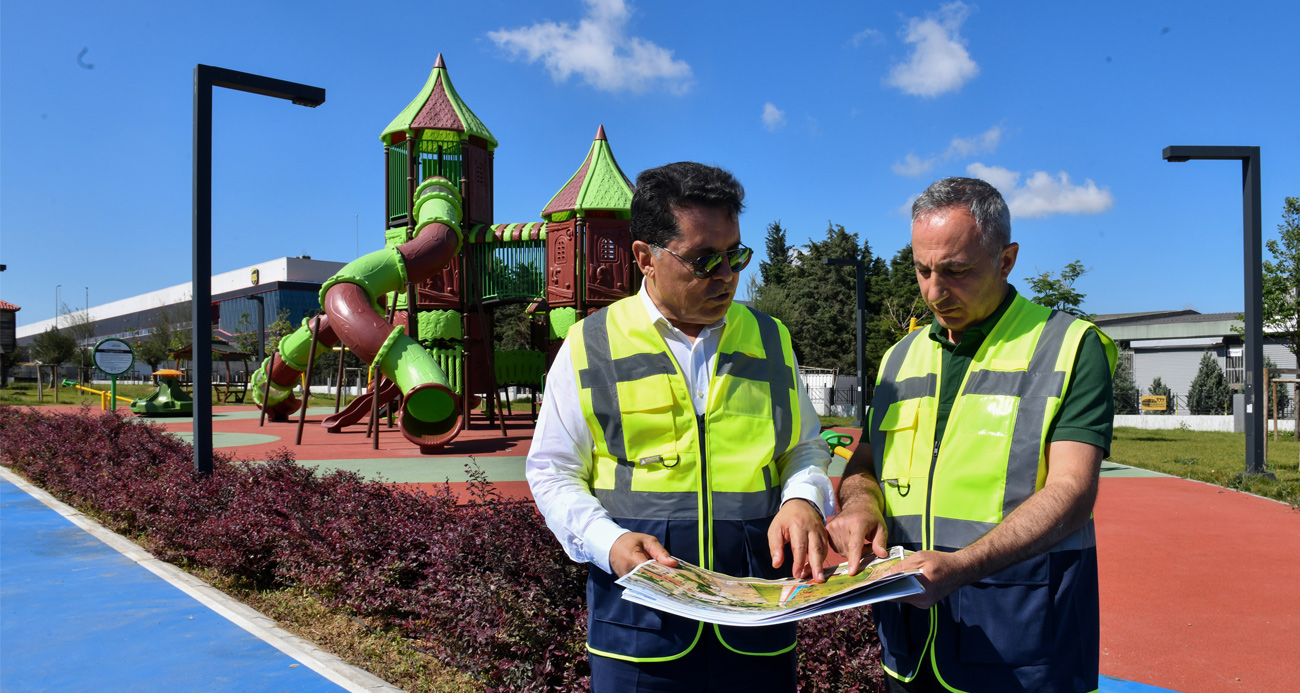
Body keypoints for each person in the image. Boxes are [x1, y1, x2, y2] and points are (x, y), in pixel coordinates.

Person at [527, 162, 835, 692]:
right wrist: (609, 542)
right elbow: (552, 470)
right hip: (640, 632)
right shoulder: (589, 344)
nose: (726, 276)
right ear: (645, 257)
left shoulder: (770, 336)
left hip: (756, 627)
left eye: (735, 255)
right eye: (704, 260)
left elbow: (805, 447)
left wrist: (803, 499)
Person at [827, 177, 1116, 693]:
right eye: (922, 270)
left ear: (1006, 260)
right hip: (911, 642)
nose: (934, 292)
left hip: (1023, 643)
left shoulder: (1071, 347)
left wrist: (961, 566)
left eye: (956, 272)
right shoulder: (900, 357)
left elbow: (1073, 492)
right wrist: (858, 505)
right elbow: (866, 461)